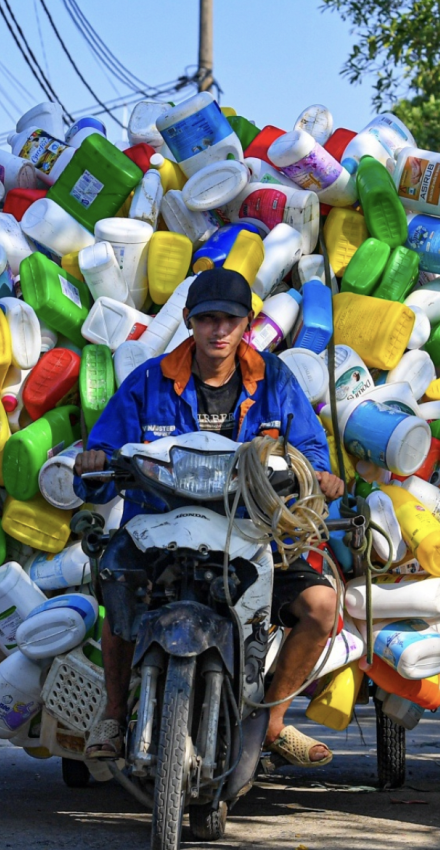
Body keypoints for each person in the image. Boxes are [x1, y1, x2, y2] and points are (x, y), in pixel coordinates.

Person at [72, 268, 346, 768]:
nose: (218, 331)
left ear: (248, 324)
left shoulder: (275, 379)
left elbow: (310, 448)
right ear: (188, 322)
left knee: (322, 607)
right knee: (116, 582)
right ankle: (113, 714)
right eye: (207, 320)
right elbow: (106, 450)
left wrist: (320, 476)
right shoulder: (149, 380)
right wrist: (94, 463)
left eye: (230, 320)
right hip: (159, 533)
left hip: (252, 533)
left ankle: (274, 721)